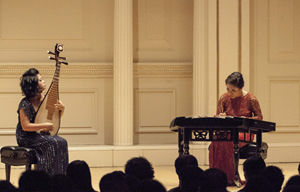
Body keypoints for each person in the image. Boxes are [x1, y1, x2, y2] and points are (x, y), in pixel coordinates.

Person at [209, 72, 263, 186]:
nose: (229, 92)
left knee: (230, 138)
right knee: (216, 139)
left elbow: (260, 118)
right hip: (228, 130)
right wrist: (221, 116)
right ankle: (217, 176)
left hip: (244, 131)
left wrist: (245, 119)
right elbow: (218, 116)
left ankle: (231, 177)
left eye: (233, 90)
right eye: (228, 89)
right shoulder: (224, 98)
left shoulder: (250, 99)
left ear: (240, 88)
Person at [16, 68, 68, 175]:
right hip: (27, 136)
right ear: (33, 85)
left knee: (62, 141)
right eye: (40, 80)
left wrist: (62, 109)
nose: (43, 81)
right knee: (52, 142)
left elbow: (53, 120)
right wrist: (44, 125)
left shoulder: (47, 99)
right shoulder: (25, 103)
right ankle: (46, 178)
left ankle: (60, 178)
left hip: (41, 134)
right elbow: (25, 126)